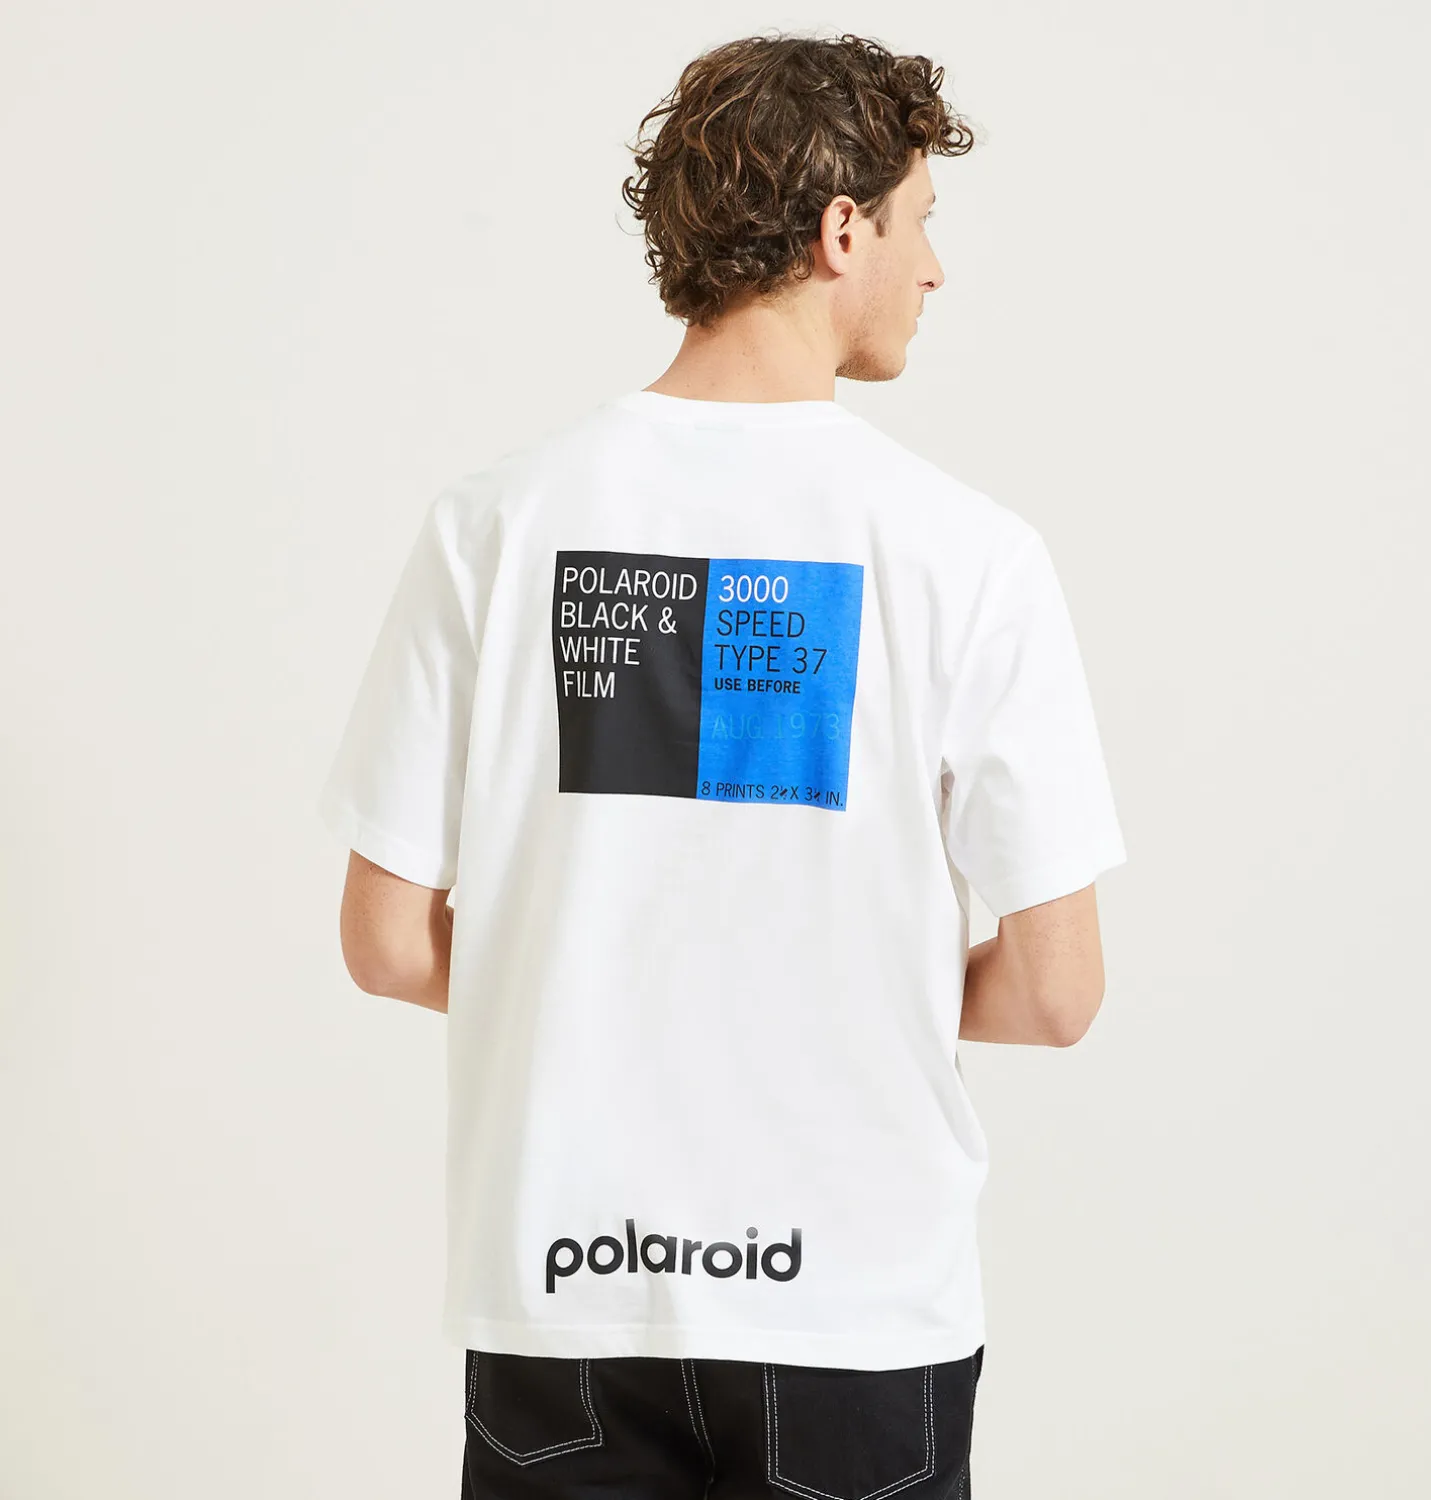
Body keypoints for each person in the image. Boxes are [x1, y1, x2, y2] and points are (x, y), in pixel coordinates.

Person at [316, 28, 1127, 1500]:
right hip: (856, 1301)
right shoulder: (969, 556)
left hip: (561, 1291)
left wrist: (601, 981)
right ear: (841, 231)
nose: (935, 269)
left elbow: (384, 940)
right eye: (920, 221)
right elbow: (1059, 991)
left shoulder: (493, 524)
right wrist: (842, 988)